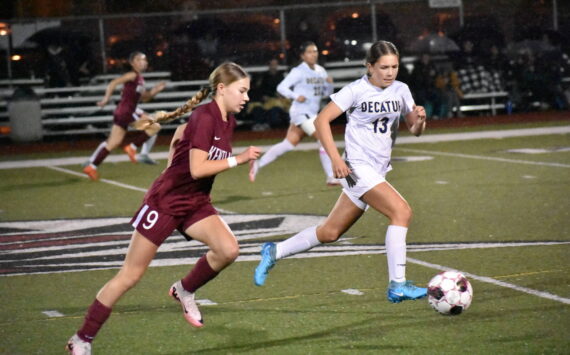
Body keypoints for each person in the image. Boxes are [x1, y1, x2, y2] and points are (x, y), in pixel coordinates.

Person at [67, 62, 261, 354]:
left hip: (194, 203)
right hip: (165, 203)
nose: (246, 97)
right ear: (222, 89)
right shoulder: (205, 115)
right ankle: (81, 339)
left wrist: (174, 165)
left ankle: (184, 289)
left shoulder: (226, 120)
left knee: (228, 250)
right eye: (241, 90)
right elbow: (197, 169)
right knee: (130, 275)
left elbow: (182, 133)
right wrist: (240, 159)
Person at [253, 41, 429, 305]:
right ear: (369, 67)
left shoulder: (401, 89)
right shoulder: (355, 91)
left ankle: (274, 251)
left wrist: (420, 120)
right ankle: (398, 284)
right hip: (357, 166)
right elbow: (321, 120)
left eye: (394, 66)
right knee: (401, 212)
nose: (390, 72)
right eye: (383, 67)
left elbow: (414, 129)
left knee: (330, 232)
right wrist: (336, 159)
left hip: (378, 169)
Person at [248, 41, 339, 186]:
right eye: (309, 52)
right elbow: (281, 87)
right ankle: (331, 176)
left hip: (311, 113)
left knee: (288, 144)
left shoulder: (321, 71)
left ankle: (258, 164)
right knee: (324, 140)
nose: (313, 54)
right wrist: (296, 96)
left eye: (315, 51)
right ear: (303, 55)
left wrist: (329, 84)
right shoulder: (298, 71)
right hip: (301, 113)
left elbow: (326, 93)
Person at [82, 51, 166, 180]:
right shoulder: (132, 75)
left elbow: (145, 97)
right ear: (132, 63)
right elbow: (113, 83)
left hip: (122, 112)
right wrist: (105, 99)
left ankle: (92, 167)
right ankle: (131, 147)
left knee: (113, 142)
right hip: (127, 111)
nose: (143, 62)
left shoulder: (139, 79)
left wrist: (155, 90)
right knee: (155, 126)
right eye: (139, 60)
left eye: (144, 60)